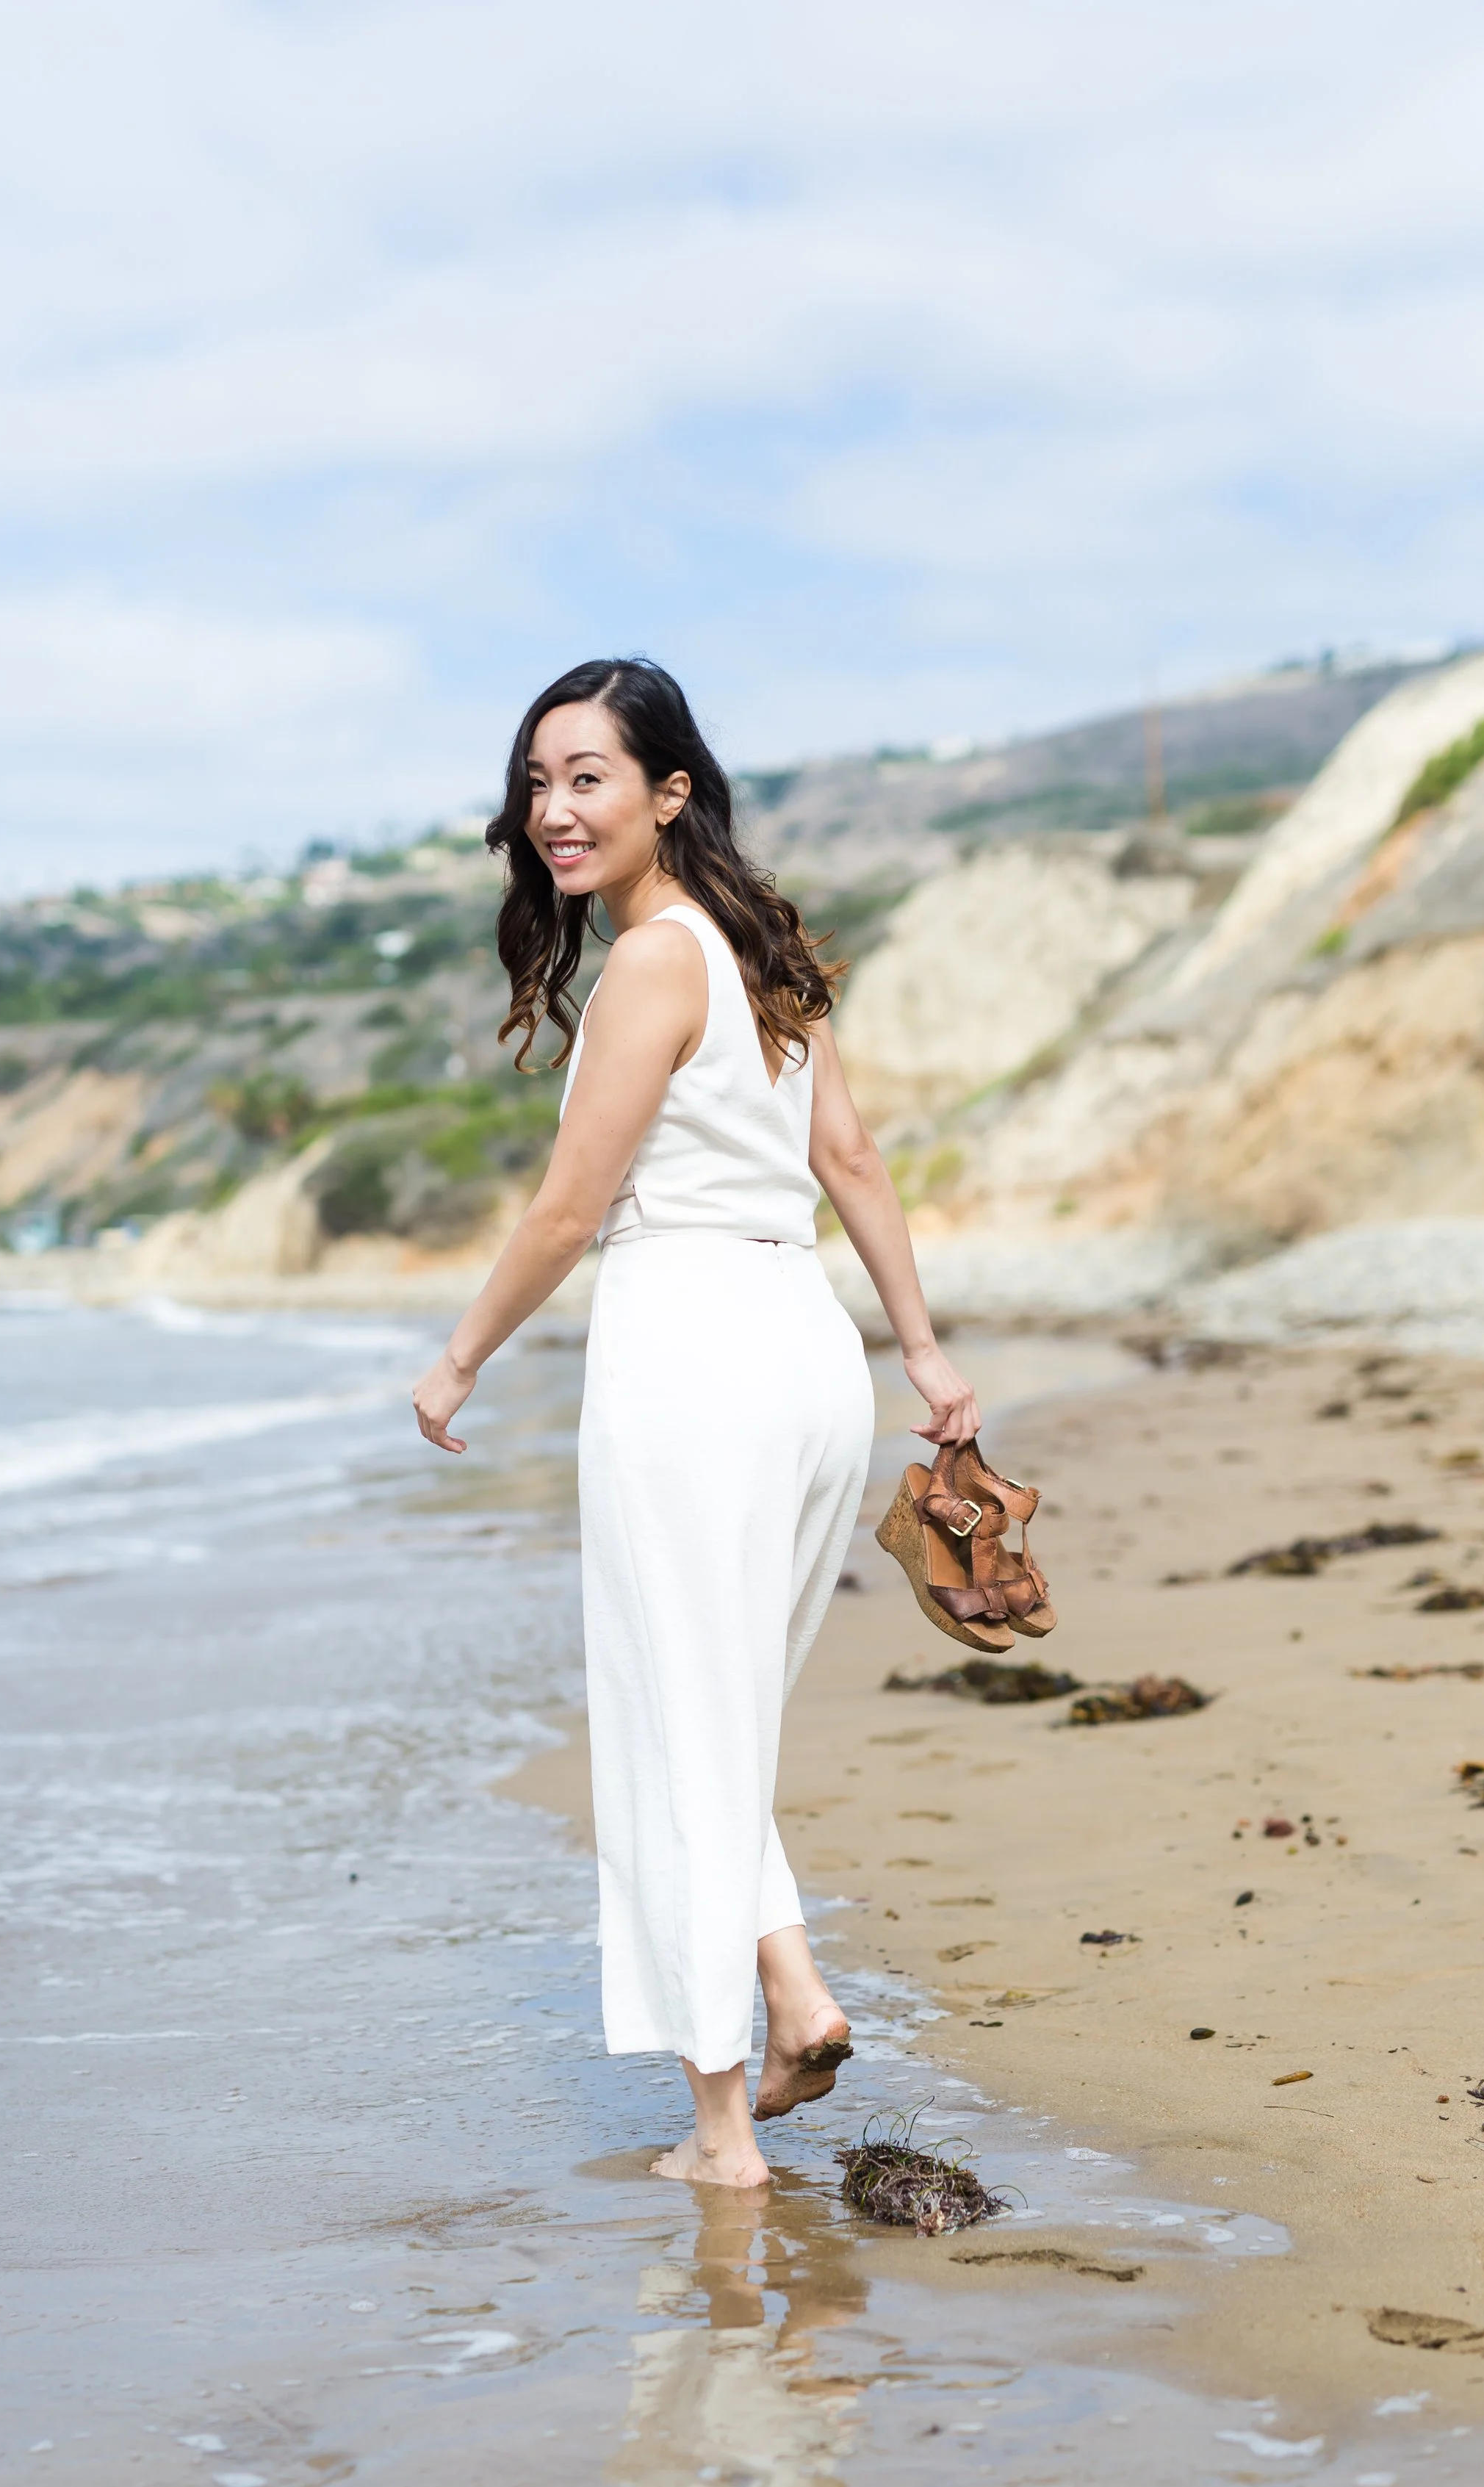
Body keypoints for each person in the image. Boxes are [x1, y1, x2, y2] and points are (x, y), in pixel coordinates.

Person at [412, 659, 980, 2188]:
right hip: (803, 1358)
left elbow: (568, 1209)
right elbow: (849, 1159)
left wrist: (459, 1356)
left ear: (668, 790)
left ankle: (722, 2133)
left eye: (587, 776)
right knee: (712, 1718)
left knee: (672, 1734)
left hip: (688, 1358)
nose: (552, 811)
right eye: (537, 782)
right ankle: (793, 1999)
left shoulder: (658, 963)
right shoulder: (757, 950)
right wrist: (919, 1356)